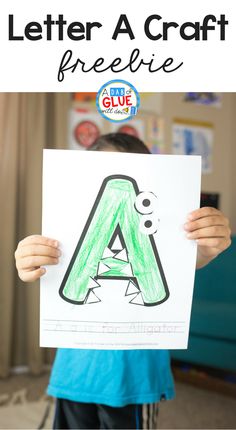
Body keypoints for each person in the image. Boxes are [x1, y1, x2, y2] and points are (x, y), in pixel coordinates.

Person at [15, 133, 231, 429]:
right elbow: (44, 268)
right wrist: (28, 259)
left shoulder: (160, 225)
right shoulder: (71, 227)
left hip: (135, 377)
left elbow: (183, 263)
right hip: (73, 374)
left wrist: (207, 248)